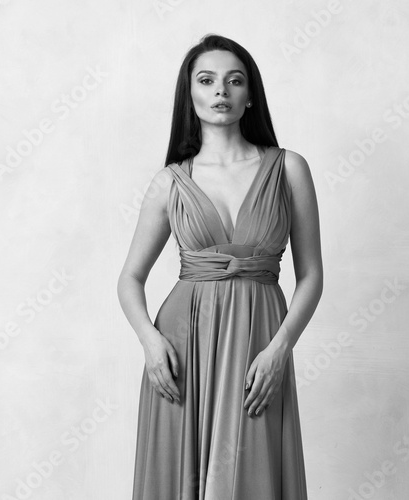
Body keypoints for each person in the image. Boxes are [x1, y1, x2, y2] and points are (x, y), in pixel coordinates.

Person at [117, 33, 323, 500]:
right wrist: (150, 342)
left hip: (260, 341)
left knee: (252, 470)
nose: (220, 92)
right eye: (206, 80)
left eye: (234, 81)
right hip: (182, 344)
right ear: (189, 94)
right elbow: (130, 277)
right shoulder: (170, 182)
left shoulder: (289, 169)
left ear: (250, 95)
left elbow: (311, 275)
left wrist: (280, 350)